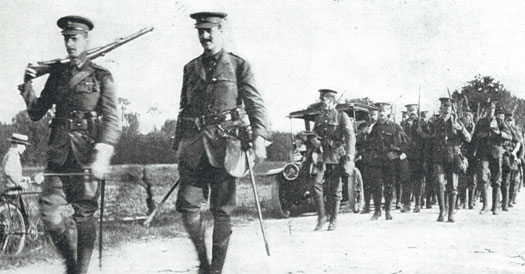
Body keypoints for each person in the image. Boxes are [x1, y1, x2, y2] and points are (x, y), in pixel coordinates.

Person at [20, 15, 120, 274]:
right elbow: (36, 112)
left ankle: (81, 270)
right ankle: (71, 264)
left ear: (86, 40)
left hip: (87, 154)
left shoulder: (101, 76)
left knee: (85, 214)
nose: (70, 44)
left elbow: (111, 119)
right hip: (59, 154)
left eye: (75, 39)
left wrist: (103, 154)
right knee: (49, 215)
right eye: (66, 39)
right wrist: (27, 83)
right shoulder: (57, 76)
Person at [172, 12, 269, 274]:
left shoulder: (239, 66)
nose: (204, 36)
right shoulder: (190, 68)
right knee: (187, 206)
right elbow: (184, 108)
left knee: (221, 211)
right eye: (200, 31)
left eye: (210, 31)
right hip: (193, 147)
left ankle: (215, 270)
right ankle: (203, 263)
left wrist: (260, 137)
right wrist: (179, 143)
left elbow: (255, 104)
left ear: (221, 30)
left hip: (227, 146)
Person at [308, 89, 355, 231]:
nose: (322, 103)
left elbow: (350, 136)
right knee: (315, 184)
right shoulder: (320, 117)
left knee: (335, 189)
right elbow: (313, 133)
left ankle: (333, 219)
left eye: (324, 100)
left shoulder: (341, 116)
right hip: (321, 156)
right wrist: (313, 139)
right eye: (322, 100)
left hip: (336, 156)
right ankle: (322, 217)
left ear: (332, 101)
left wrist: (350, 154)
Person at [422, 98, 471, 222]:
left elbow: (469, 139)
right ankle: (442, 211)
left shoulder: (457, 122)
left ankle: (451, 213)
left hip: (453, 156)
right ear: (441, 107)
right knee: (439, 183)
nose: (447, 108)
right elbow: (430, 141)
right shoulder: (435, 122)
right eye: (445, 105)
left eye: (449, 106)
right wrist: (427, 158)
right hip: (438, 155)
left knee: (453, 185)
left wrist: (461, 129)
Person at [366, 102, 408, 220]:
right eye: (379, 111)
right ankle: (377, 211)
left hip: (390, 161)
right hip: (377, 161)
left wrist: (396, 153)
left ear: (389, 112)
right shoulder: (374, 128)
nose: (381, 113)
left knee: (389, 186)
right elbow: (368, 144)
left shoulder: (395, 127)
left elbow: (406, 144)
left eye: (384, 111)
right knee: (377, 186)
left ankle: (388, 211)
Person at [472, 101, 511, 215]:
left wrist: (499, 133)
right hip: (483, 152)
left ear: (494, 109)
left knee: (496, 180)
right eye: (488, 108)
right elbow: (474, 137)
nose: (490, 110)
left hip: (496, 153)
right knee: (483, 177)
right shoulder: (481, 122)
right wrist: (479, 137)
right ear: (486, 110)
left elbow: (509, 136)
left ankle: (495, 206)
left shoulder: (499, 121)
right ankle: (485, 206)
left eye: (492, 108)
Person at [1, 133, 32, 222]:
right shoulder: (12, 156)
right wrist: (20, 183)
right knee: (18, 216)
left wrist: (23, 178)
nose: (25, 148)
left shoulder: (10, 155)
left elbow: (13, 173)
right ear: (18, 145)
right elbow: (8, 171)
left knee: (20, 214)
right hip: (12, 190)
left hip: (10, 189)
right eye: (24, 145)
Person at [357, 106, 379, 214]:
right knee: (366, 182)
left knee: (376, 183)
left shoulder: (380, 127)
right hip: (366, 157)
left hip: (377, 158)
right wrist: (362, 133)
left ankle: (377, 207)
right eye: (370, 114)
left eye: (374, 114)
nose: (372, 117)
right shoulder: (363, 126)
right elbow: (358, 141)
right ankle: (367, 206)